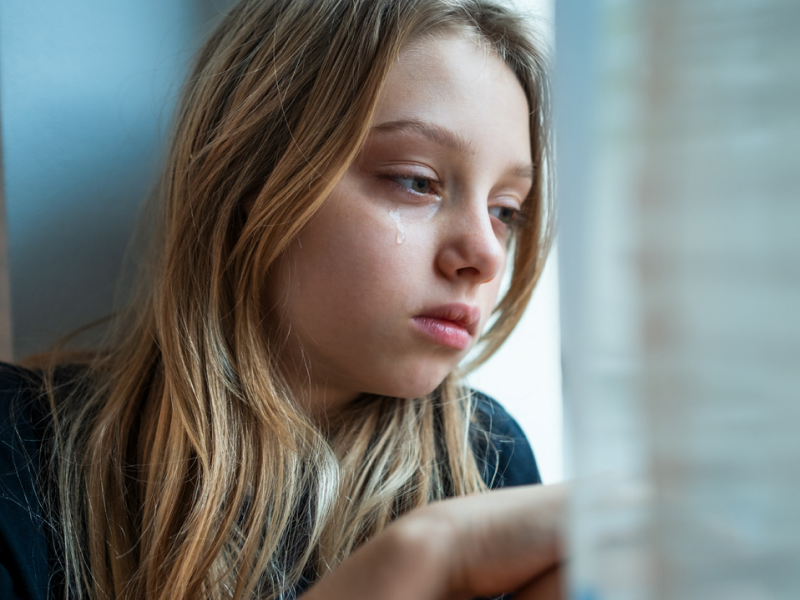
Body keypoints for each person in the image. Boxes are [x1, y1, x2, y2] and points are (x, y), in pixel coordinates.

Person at [0, 0, 565, 599]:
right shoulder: (18, 447)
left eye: (507, 211)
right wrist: (415, 560)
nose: (486, 254)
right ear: (252, 180)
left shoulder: (486, 456)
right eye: (416, 180)